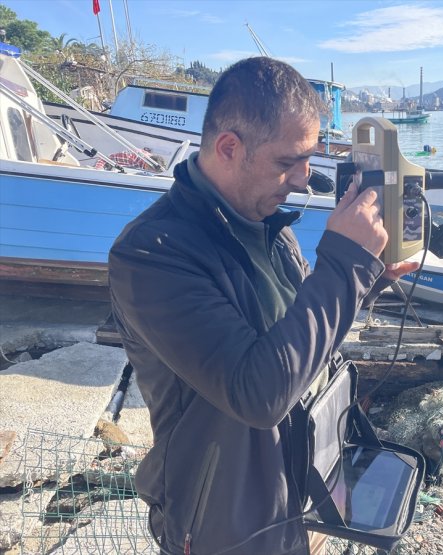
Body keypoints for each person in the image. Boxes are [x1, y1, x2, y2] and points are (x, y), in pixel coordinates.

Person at [108, 57, 418, 555]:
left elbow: (296, 337)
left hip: (297, 496)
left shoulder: (267, 222)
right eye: (287, 161)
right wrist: (343, 265)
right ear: (230, 147)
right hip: (222, 527)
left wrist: (366, 279)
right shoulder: (151, 254)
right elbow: (258, 393)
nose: (304, 178)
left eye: (310, 158)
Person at [94, 147, 165, 172]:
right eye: (152, 171)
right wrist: (98, 170)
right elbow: (105, 158)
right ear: (147, 165)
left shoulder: (156, 162)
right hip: (109, 169)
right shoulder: (131, 157)